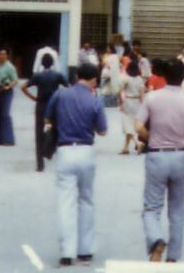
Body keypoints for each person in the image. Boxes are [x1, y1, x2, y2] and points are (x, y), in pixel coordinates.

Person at [138, 57, 184, 262]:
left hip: (157, 154)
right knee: (178, 209)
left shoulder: (151, 98)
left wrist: (150, 137)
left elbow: (138, 127)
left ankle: (156, 239)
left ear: (164, 76)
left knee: (152, 207)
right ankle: (173, 257)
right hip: (180, 154)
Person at [45, 58, 108, 266]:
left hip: (64, 150)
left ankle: (66, 251)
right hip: (86, 150)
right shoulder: (94, 100)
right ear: (94, 80)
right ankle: (85, 250)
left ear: (76, 76)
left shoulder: (60, 94)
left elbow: (47, 119)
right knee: (86, 200)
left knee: (66, 201)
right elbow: (102, 131)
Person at [24, 51, 68, 172]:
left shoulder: (38, 76)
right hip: (54, 107)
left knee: (39, 133)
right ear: (53, 63)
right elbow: (68, 87)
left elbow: (23, 87)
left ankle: (40, 164)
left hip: (41, 106)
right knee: (54, 130)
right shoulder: (57, 75)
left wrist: (34, 98)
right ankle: (49, 151)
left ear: (42, 64)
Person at [0, 47, 18, 146]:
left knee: (5, 115)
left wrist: (8, 86)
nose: (1, 56)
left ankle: (8, 140)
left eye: (3, 54)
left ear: (7, 56)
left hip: (6, 93)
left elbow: (15, 80)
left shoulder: (10, 67)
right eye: (0, 54)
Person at [119, 57, 145, 155]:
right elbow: (142, 94)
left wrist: (121, 103)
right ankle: (125, 148)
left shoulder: (126, 78)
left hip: (128, 101)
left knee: (127, 124)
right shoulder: (140, 79)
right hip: (137, 102)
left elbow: (120, 91)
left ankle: (138, 143)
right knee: (132, 123)